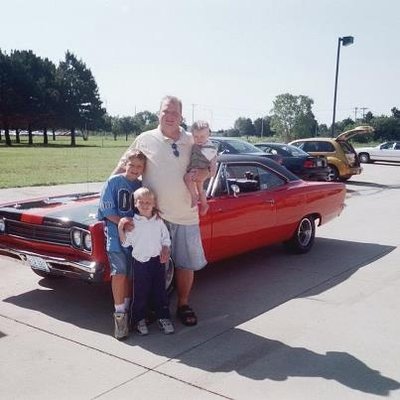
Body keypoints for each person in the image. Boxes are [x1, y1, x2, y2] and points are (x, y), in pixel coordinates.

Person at [113, 95, 207, 327]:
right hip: (154, 218)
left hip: (186, 214)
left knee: (185, 265)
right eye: (167, 111)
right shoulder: (144, 139)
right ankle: (154, 306)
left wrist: (200, 183)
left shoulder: (191, 139)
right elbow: (123, 168)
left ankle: (183, 304)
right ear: (159, 114)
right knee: (153, 267)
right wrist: (106, 190)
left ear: (181, 116)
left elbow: (207, 169)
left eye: (176, 112)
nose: (171, 116)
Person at [98, 149, 146, 340]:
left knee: (132, 274)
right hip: (116, 236)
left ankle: (128, 311)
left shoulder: (141, 186)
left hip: (135, 237)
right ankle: (119, 317)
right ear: (125, 163)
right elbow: (107, 210)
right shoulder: (113, 182)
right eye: (132, 165)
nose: (134, 169)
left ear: (143, 169)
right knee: (119, 273)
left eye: (139, 166)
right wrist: (122, 223)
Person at [118, 187, 174, 335]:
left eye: (148, 202)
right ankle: (139, 320)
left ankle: (163, 318)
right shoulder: (132, 223)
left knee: (160, 291)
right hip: (140, 263)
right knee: (141, 292)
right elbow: (125, 243)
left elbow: (166, 238)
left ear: (154, 203)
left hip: (158, 261)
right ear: (135, 204)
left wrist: (166, 248)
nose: (144, 204)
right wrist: (120, 227)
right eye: (140, 202)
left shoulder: (158, 221)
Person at [184, 120, 217, 215]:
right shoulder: (195, 145)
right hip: (197, 169)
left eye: (202, 136)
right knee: (200, 188)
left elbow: (213, 161)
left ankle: (194, 196)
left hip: (202, 170)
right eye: (196, 137)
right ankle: (204, 205)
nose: (199, 139)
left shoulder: (209, 148)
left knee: (187, 178)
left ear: (208, 135)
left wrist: (211, 173)